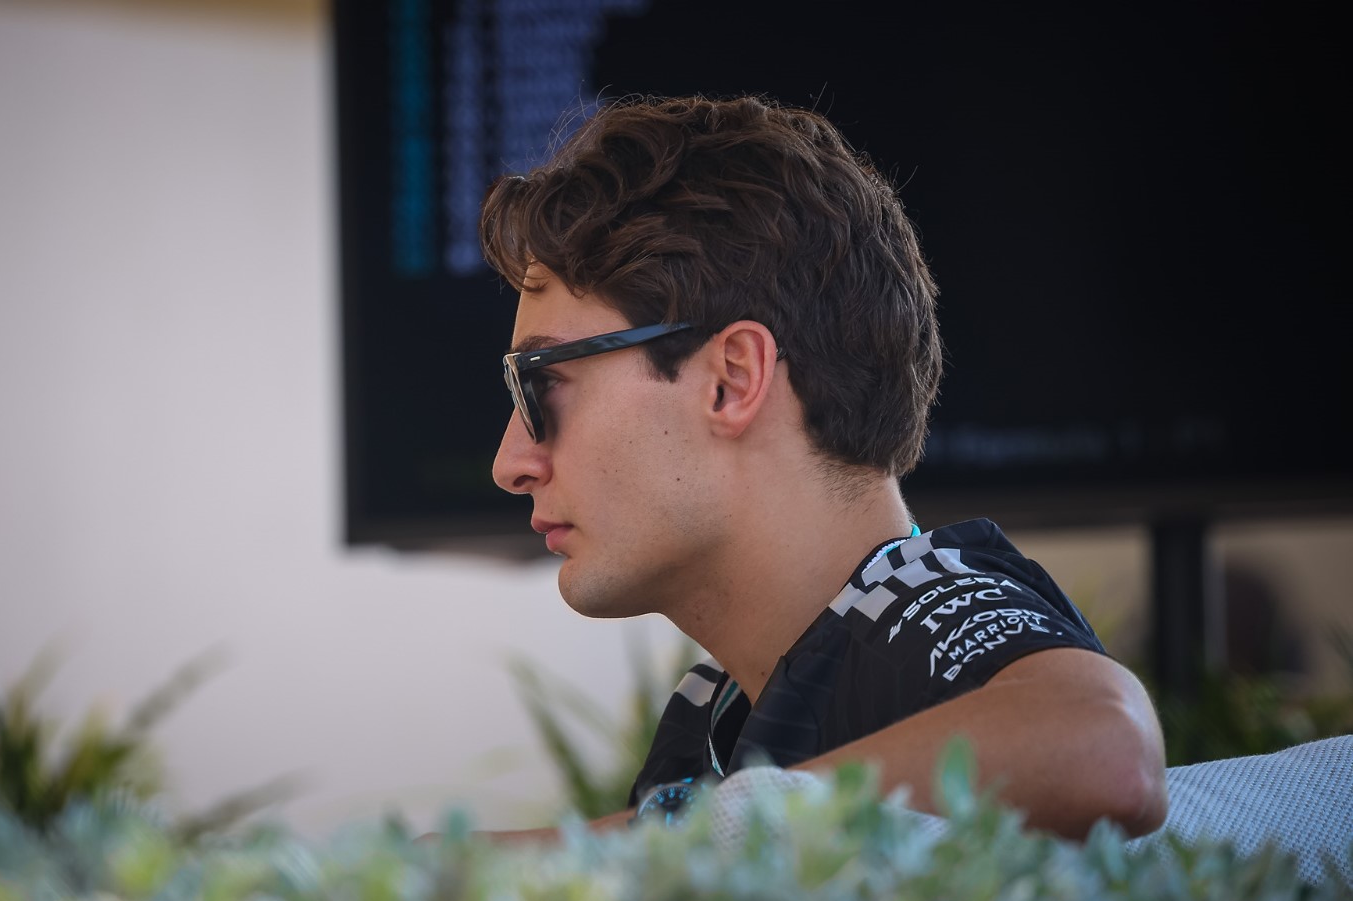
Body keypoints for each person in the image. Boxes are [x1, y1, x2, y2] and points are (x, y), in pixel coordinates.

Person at [483, 94, 1167, 840]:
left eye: (542, 383)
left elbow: (1106, 746)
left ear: (732, 380)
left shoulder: (913, 604)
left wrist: (673, 836)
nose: (510, 463)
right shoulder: (712, 710)